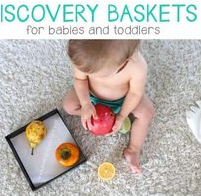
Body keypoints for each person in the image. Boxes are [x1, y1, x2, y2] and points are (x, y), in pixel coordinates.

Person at [63, 40, 155, 173]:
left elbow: (135, 93)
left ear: (123, 64)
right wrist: (85, 104)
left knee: (147, 113)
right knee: (69, 105)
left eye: (99, 76)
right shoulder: (86, 57)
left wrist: (122, 115)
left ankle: (133, 149)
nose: (91, 76)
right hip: (91, 96)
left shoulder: (137, 67)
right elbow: (80, 79)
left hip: (124, 99)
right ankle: (97, 116)